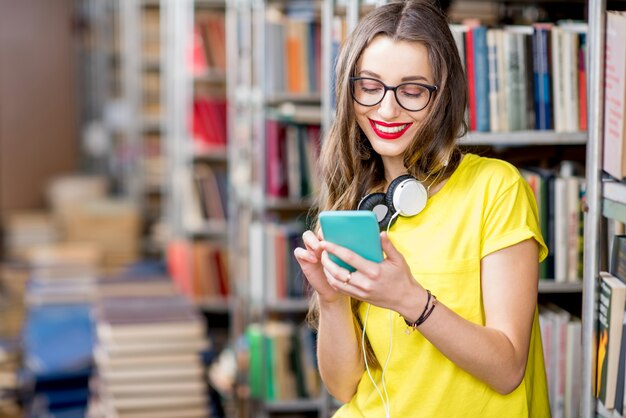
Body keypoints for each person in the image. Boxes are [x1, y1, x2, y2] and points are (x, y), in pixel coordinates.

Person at [292, 1, 551, 417]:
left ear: (443, 97)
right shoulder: (360, 205)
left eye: (412, 91)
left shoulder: (496, 189)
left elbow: (507, 369)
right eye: (370, 86)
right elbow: (344, 387)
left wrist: (411, 300)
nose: (387, 109)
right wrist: (332, 300)